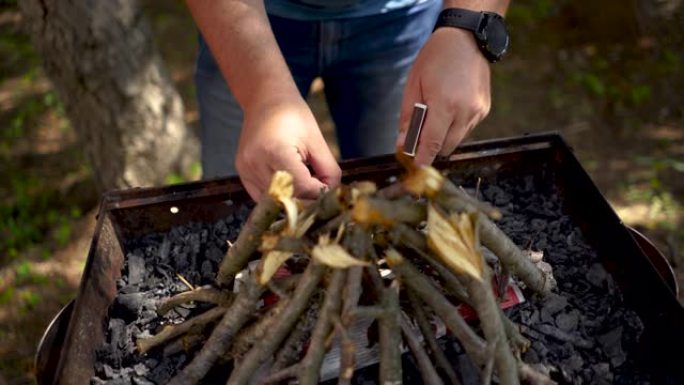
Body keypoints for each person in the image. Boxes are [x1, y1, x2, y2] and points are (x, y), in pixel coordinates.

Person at [186, 0, 509, 200]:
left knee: (404, 163)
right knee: (243, 193)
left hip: (404, 24)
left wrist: (468, 27)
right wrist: (264, 98)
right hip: (242, 19)